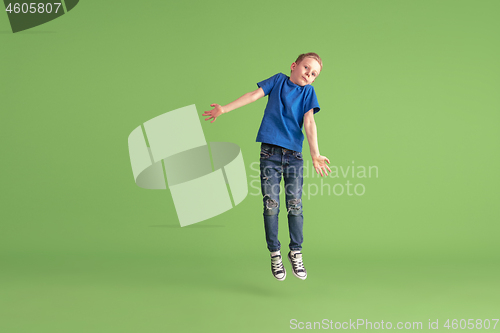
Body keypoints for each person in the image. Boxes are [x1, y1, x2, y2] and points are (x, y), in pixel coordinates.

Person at [202, 53, 331, 281]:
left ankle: (296, 251)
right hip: (269, 153)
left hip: (294, 155)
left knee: (295, 205)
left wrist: (315, 153)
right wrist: (224, 109)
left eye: (314, 75)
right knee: (271, 205)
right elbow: (253, 96)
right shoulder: (278, 81)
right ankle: (275, 253)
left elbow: (310, 122)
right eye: (306, 68)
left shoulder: (308, 93)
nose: (308, 75)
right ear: (294, 66)